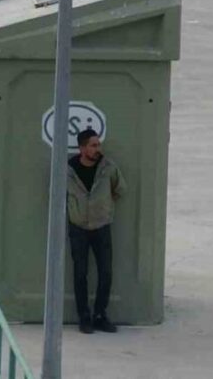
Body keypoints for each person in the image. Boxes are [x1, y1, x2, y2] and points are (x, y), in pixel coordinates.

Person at [67, 128, 127, 334]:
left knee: (106, 272)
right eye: (93, 145)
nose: (97, 148)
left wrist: (103, 208)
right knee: (80, 272)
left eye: (98, 144)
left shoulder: (108, 168)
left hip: (101, 227)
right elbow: (57, 194)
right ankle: (84, 316)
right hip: (78, 228)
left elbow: (120, 190)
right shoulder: (68, 170)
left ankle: (100, 315)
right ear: (82, 148)